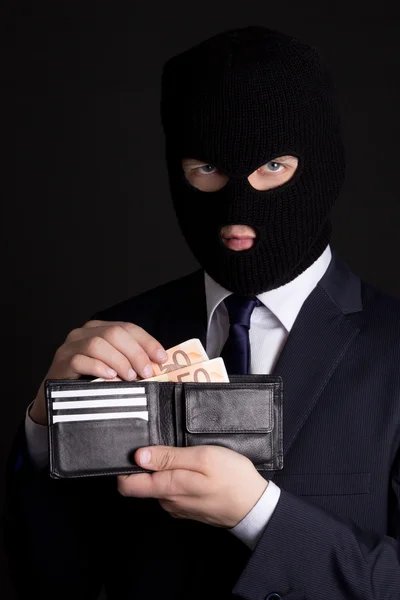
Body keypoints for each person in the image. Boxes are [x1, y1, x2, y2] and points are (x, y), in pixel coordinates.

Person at [4, 25, 400, 600]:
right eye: (205, 170)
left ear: (321, 163)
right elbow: (47, 577)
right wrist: (46, 426)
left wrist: (260, 515)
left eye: (273, 167)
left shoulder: (394, 348)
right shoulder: (115, 340)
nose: (238, 209)